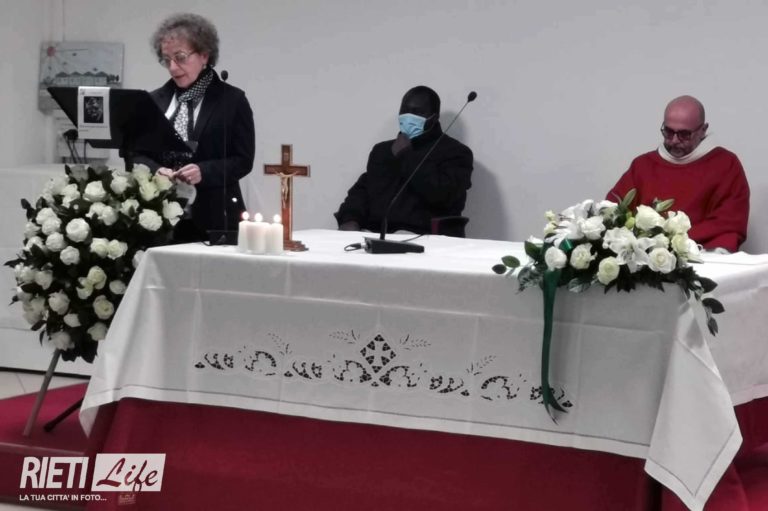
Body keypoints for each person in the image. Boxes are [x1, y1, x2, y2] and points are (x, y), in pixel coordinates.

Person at [138, 13, 255, 242]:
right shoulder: (154, 100)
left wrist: (204, 171)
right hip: (160, 218)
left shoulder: (232, 101)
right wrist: (156, 170)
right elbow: (136, 153)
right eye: (166, 60)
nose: (173, 67)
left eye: (180, 57)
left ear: (204, 55)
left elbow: (243, 160)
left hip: (215, 216)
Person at [607, 95, 750, 252]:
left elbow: (729, 223)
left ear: (703, 130)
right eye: (668, 132)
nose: (674, 140)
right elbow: (612, 211)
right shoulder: (643, 165)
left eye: (684, 134)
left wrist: (673, 241)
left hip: (700, 253)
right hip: (646, 253)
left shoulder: (725, 164)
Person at [335, 86, 473, 237]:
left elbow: (442, 195)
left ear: (434, 117)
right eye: (405, 111)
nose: (409, 117)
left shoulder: (456, 153)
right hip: (375, 234)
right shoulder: (382, 150)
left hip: (423, 237)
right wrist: (350, 219)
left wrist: (407, 156)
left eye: (417, 112)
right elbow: (362, 191)